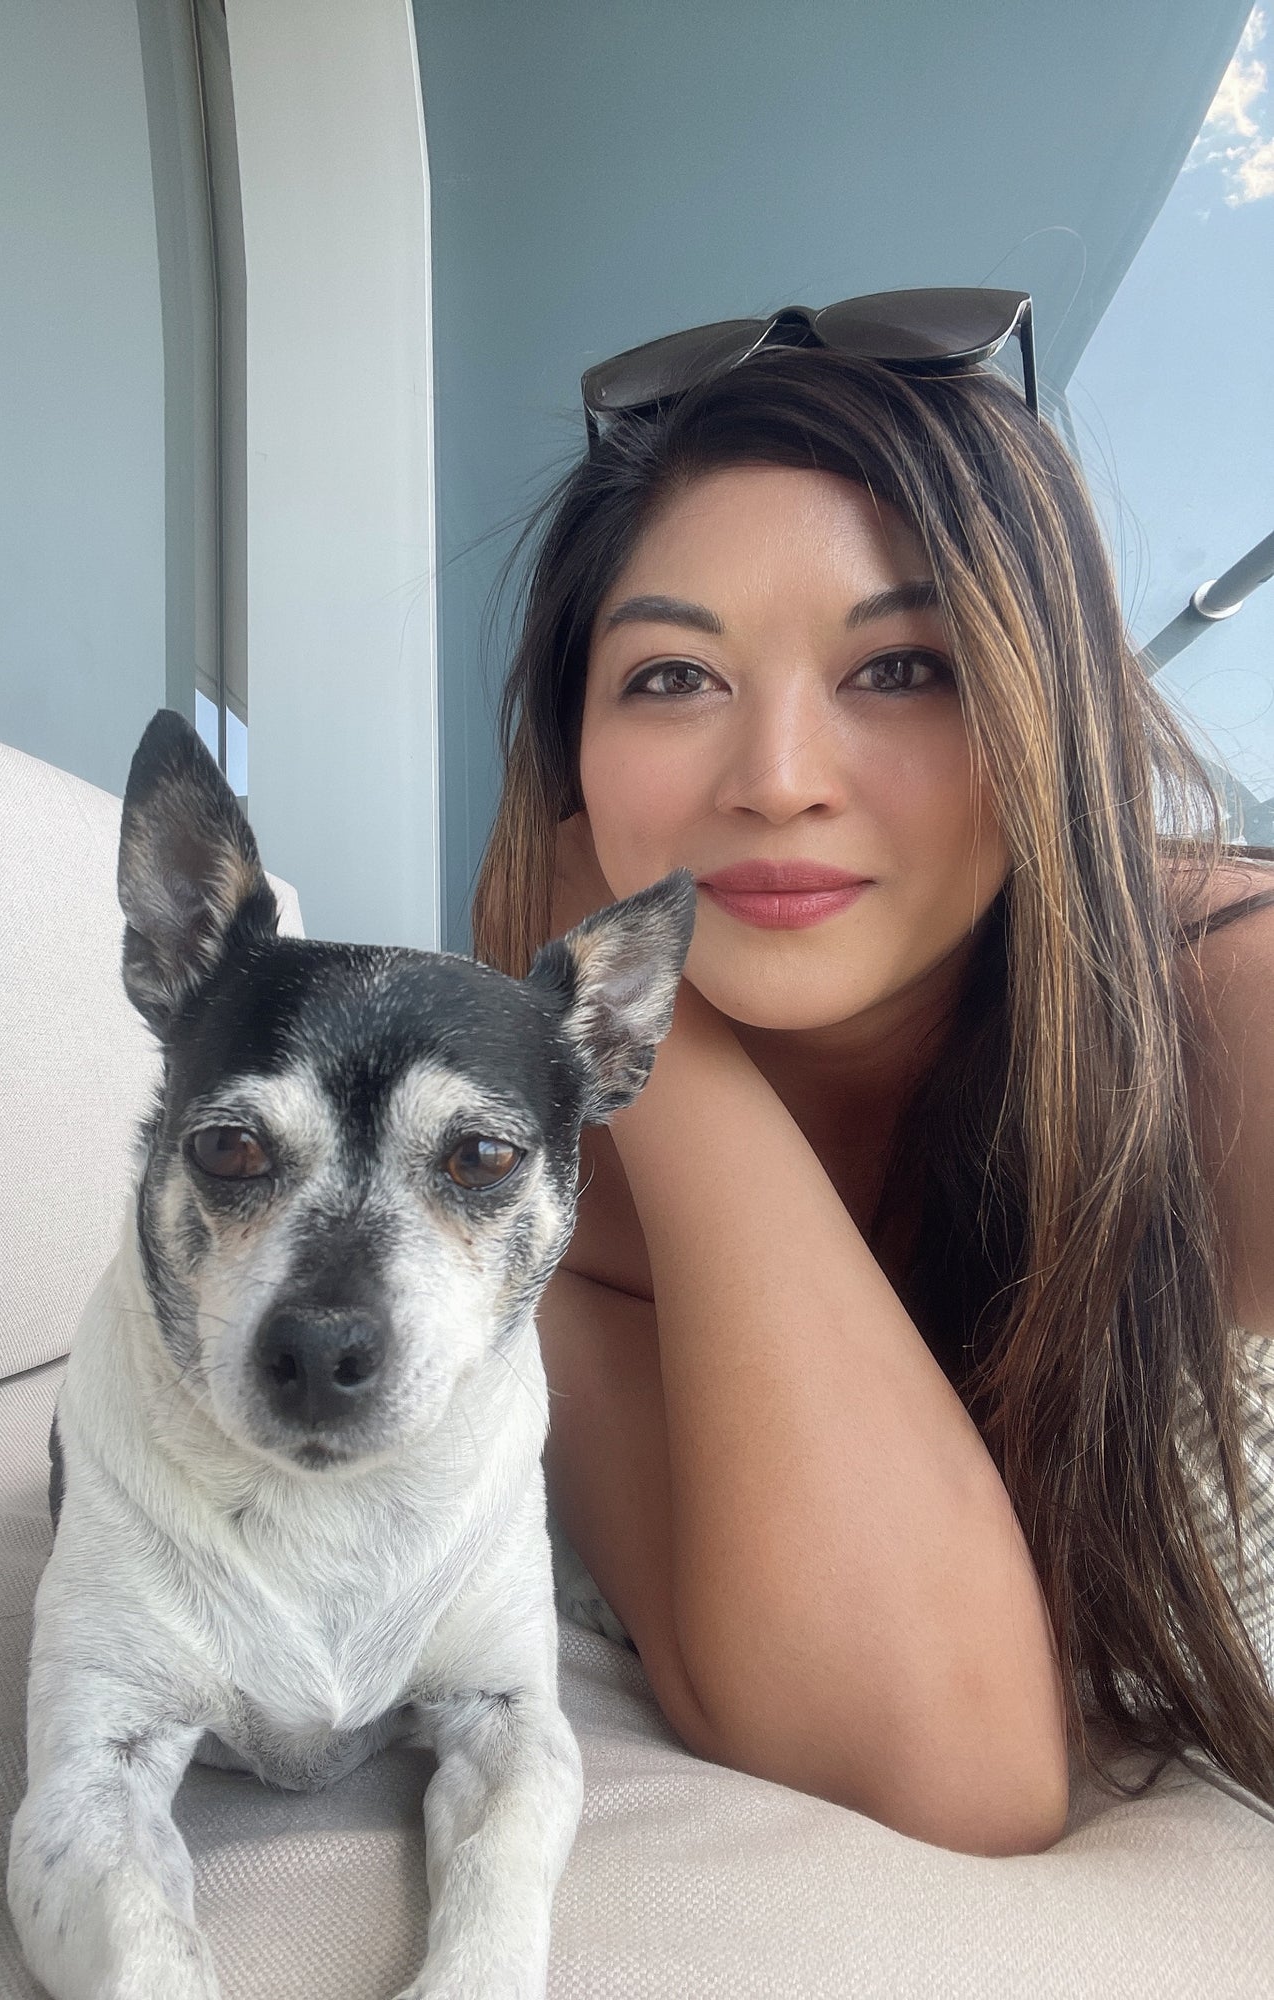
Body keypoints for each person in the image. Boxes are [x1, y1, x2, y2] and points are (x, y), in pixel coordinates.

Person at [468, 304, 1274, 1859]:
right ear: (573, 767)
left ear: (1052, 718)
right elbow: (939, 1761)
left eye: (903, 664)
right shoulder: (548, 1179)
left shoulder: (1224, 1008)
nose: (775, 775)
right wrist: (651, 1038)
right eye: (672, 679)